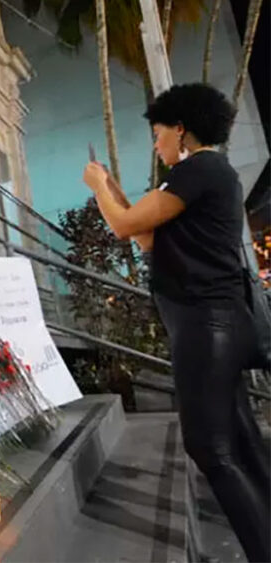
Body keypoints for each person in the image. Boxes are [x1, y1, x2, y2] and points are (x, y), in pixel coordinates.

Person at [82, 83, 270, 562]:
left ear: (181, 129)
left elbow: (124, 227)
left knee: (211, 449)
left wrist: (98, 186)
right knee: (241, 442)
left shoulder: (198, 169)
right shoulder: (205, 175)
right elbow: (144, 233)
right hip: (216, 323)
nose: (156, 143)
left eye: (159, 132)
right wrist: (112, 189)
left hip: (207, 325)